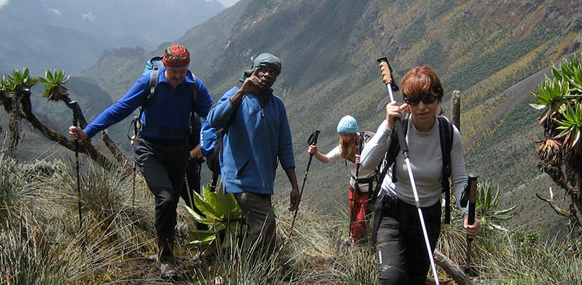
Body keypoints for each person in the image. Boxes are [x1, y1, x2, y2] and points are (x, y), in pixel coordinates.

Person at [69, 44, 212, 280]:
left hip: (179, 149)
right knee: (166, 197)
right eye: (174, 71)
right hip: (149, 148)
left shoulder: (194, 85)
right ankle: (166, 258)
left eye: (182, 71)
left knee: (171, 203)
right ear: (165, 66)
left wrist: (207, 143)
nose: (178, 76)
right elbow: (120, 108)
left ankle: (166, 250)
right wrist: (88, 132)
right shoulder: (149, 82)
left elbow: (212, 116)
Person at [359, 65, 480, 284]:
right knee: (392, 279)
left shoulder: (448, 133)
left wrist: (467, 214)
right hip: (391, 211)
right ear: (406, 102)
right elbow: (366, 165)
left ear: (438, 98)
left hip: (428, 216)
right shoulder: (398, 126)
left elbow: (460, 179)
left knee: (415, 279)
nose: (422, 107)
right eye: (414, 101)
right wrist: (387, 124)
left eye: (428, 99)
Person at [206, 53, 300, 258]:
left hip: (264, 180)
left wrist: (294, 186)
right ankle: (245, 265)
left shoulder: (277, 106)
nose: (267, 75)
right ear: (253, 71)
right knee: (265, 223)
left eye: (272, 72)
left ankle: (248, 265)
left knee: (264, 231)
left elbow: (285, 146)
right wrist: (242, 91)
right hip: (240, 177)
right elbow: (213, 120)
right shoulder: (236, 95)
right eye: (263, 70)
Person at [307, 115, 376, 244]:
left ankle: (360, 245)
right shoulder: (343, 146)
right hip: (354, 187)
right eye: (342, 135)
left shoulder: (367, 145)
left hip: (368, 190)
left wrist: (364, 160)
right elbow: (327, 159)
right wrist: (315, 153)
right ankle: (358, 245)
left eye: (347, 135)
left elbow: (377, 162)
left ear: (353, 133)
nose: (344, 138)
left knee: (360, 223)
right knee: (353, 220)